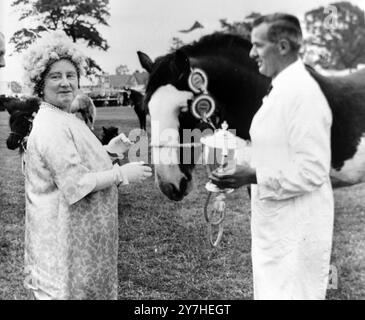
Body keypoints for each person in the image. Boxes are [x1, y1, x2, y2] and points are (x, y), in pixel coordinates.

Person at [210, 13, 334, 300]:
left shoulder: (303, 93)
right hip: (277, 226)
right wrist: (236, 158)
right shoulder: (281, 89)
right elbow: (274, 149)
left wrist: (252, 175)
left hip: (297, 228)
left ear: (282, 47)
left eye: (258, 45)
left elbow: (313, 170)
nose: (251, 53)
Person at [22, 31, 152, 300]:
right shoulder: (50, 126)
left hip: (75, 239)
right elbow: (75, 183)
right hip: (59, 245)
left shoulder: (64, 117)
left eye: (71, 75)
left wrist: (110, 152)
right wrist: (120, 174)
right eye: (55, 76)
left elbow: (74, 162)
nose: (66, 83)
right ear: (39, 83)